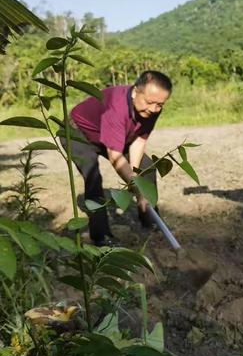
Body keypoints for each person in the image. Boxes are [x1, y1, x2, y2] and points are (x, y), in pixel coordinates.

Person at [62, 70, 172, 246]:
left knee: (146, 166)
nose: (153, 109)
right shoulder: (117, 105)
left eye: (159, 105)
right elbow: (116, 158)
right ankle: (101, 236)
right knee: (93, 178)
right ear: (136, 91)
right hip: (78, 133)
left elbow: (139, 139)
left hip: (111, 133)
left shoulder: (153, 108)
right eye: (150, 102)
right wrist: (137, 189)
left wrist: (135, 176)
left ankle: (150, 220)